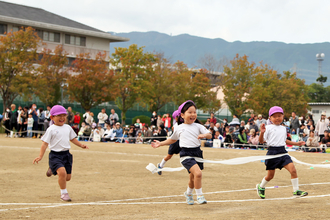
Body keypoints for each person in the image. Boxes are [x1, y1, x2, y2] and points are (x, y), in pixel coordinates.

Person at [151, 100, 212, 205]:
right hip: (186, 154)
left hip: (197, 153)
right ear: (182, 115)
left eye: (194, 112)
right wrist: (160, 144)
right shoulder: (179, 128)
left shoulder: (198, 126)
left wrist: (204, 135)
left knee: (193, 178)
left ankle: (188, 193)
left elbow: (210, 135)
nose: (193, 115)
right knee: (198, 173)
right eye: (190, 112)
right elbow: (172, 140)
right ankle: (200, 196)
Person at [33, 105, 88, 202]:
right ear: (52, 118)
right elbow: (44, 144)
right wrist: (40, 156)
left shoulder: (68, 127)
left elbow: (72, 139)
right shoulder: (51, 129)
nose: (62, 118)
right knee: (62, 173)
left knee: (67, 178)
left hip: (67, 155)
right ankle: (64, 193)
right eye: (59, 116)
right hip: (55, 155)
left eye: (64, 116)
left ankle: (52, 169)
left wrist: (81, 145)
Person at [256, 106, 307, 199]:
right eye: (274, 116)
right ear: (270, 118)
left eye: (279, 116)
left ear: (283, 116)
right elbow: (261, 141)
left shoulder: (284, 128)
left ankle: (296, 191)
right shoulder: (268, 128)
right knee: (270, 176)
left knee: (293, 170)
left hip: (283, 152)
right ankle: (261, 186)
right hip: (272, 153)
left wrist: (297, 143)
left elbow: (284, 141)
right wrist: (262, 132)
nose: (277, 118)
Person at [156, 110, 181, 175]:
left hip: (182, 142)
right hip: (175, 142)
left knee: (186, 154)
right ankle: (160, 166)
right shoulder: (176, 124)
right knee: (169, 156)